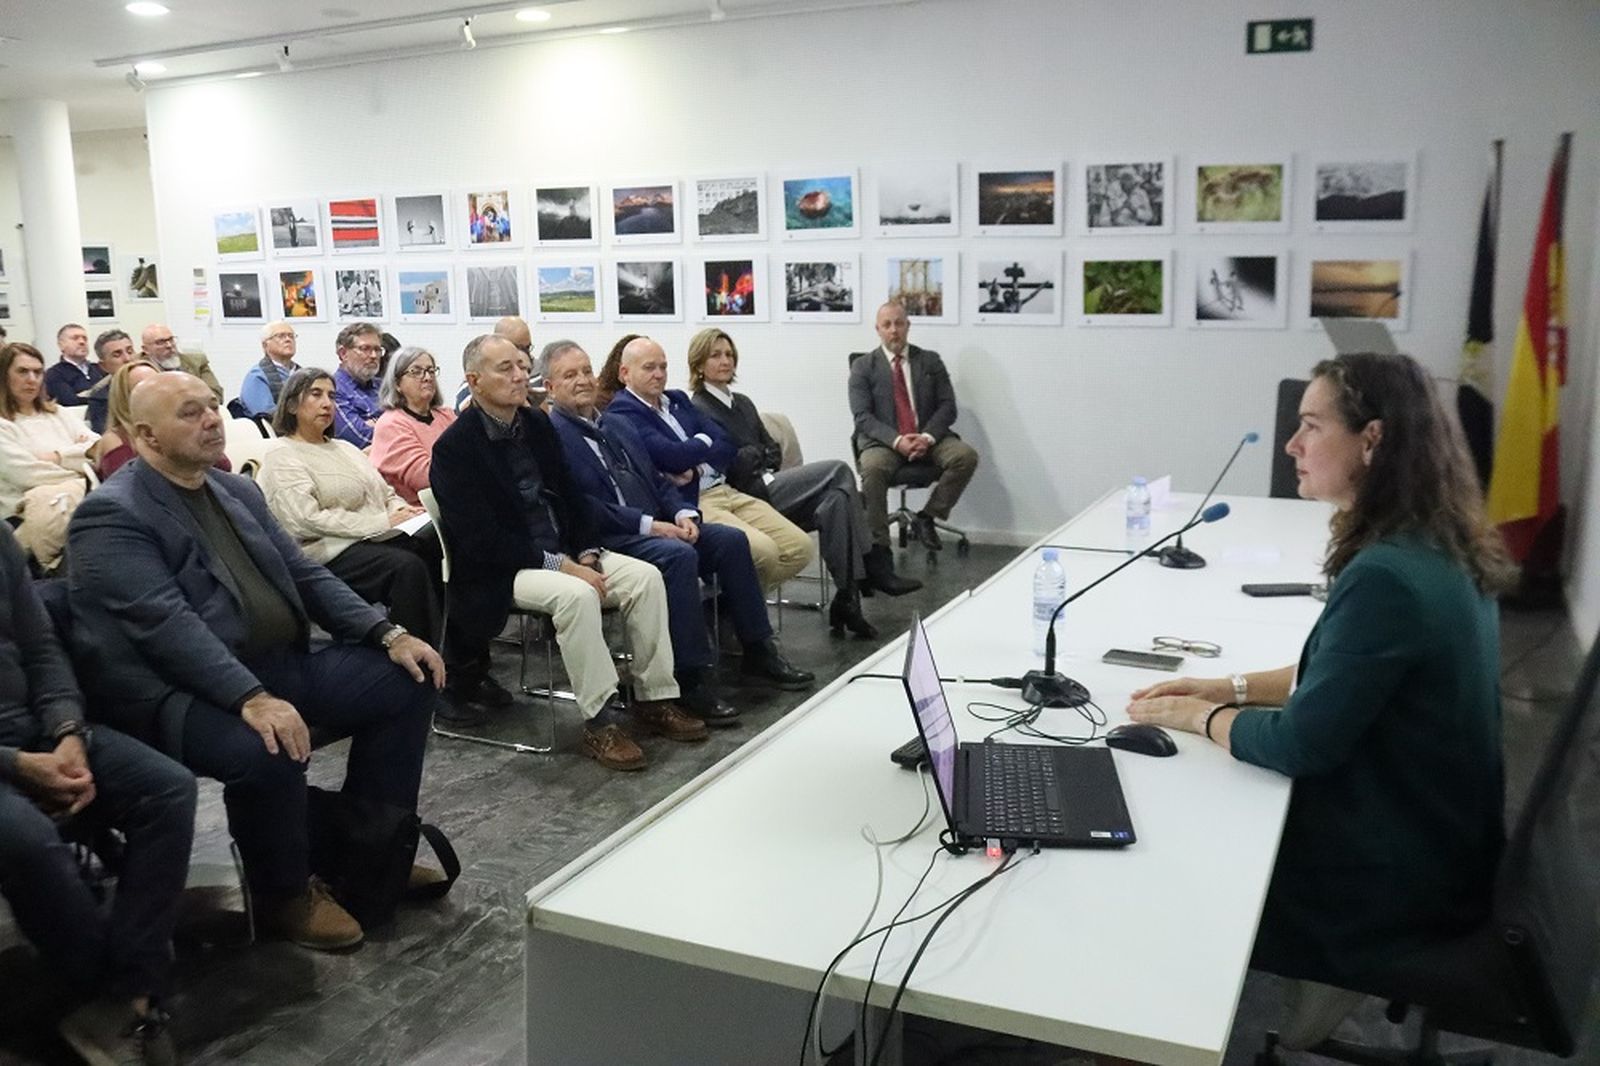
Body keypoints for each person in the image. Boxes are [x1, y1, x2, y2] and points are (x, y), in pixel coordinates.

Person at [1127, 352, 1514, 1049]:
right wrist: (1227, 687)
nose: (1291, 445)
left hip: (1391, 886)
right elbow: (1341, 670)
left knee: (1161, 877)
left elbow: (1302, 743)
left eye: (1310, 426)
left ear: (1371, 440)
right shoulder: (1431, 542)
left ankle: (1146, 1037)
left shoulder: (1388, 577)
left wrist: (1198, 717)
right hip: (1443, 849)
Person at [67, 372, 446, 952]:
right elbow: (167, 625)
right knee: (264, 749)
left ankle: (373, 851)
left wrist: (386, 632)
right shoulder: (112, 515)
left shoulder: (236, 491)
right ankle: (283, 893)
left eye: (213, 407)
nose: (212, 420)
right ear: (145, 435)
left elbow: (305, 573)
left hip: (275, 665)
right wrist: (251, 698)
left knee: (407, 679)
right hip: (178, 694)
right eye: (189, 413)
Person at [429, 335, 711, 768]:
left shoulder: (536, 425)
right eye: (505, 368)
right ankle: (599, 723)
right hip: (504, 569)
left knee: (645, 578)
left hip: (565, 552)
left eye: (522, 366)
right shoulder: (454, 450)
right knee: (576, 596)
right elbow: (482, 542)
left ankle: (655, 698)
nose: (520, 375)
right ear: (474, 380)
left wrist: (588, 553)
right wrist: (561, 565)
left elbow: (572, 500)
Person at [0, 523, 197, 1066]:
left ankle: (128, 992)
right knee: (28, 839)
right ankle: (108, 992)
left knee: (167, 790)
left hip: (38, 732)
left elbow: (41, 647)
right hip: (12, 755)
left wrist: (66, 730)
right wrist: (18, 766)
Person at [541, 339, 813, 705]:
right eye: (570, 375)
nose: (583, 380)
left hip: (656, 523)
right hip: (607, 537)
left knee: (731, 542)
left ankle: (758, 649)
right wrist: (650, 525)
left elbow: (657, 480)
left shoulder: (615, 425)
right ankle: (691, 676)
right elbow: (581, 506)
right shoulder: (551, 436)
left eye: (587, 371)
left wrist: (683, 513)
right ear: (550, 387)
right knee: (678, 555)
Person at [687, 328, 922, 636]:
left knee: (837, 501)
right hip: (747, 496)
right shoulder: (698, 407)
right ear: (699, 363)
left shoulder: (742, 401)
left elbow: (770, 448)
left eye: (729, 354)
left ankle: (848, 598)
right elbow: (734, 464)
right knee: (838, 470)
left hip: (771, 482)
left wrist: (755, 453)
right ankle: (873, 562)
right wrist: (755, 454)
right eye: (716, 355)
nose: (725, 360)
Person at [604, 336, 815, 592]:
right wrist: (704, 441)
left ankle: (731, 599)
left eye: (664, 366)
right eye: (650, 368)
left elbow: (727, 442)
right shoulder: (623, 412)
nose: (659, 374)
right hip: (694, 499)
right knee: (765, 553)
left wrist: (697, 466)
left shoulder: (678, 399)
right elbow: (672, 456)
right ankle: (737, 605)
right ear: (625, 373)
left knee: (801, 548)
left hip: (725, 488)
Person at [257, 368, 443, 650]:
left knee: (435, 548)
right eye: (316, 395)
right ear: (292, 405)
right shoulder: (281, 454)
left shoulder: (345, 448)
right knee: (407, 568)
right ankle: (416, 664)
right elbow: (304, 521)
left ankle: (452, 658)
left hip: (368, 539)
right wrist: (382, 522)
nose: (327, 403)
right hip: (323, 552)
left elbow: (385, 493)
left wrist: (405, 513)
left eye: (332, 396)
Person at [848, 302, 979, 554]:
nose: (894, 330)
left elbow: (947, 406)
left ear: (908, 326)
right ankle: (879, 547)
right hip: (884, 442)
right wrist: (898, 441)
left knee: (965, 456)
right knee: (872, 469)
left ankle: (927, 517)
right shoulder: (863, 367)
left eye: (899, 323)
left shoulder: (930, 361)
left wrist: (927, 437)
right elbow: (862, 417)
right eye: (887, 325)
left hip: (929, 437)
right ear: (878, 329)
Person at [0, 343, 98, 572]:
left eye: (38, 371)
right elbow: (28, 474)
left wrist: (57, 456)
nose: (32, 379)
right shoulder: (4, 426)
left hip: (77, 507)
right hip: (23, 520)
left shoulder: (59, 414)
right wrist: (83, 468)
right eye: (22, 371)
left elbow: (98, 448)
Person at [370, 346, 457, 507]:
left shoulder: (447, 416)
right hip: (420, 516)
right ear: (397, 383)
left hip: (457, 502)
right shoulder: (391, 424)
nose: (427, 377)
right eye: (416, 372)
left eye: (431, 371)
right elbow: (426, 479)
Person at [330, 321, 385, 448]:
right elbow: (361, 438)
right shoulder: (333, 389)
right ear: (343, 354)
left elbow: (410, 423)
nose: (373, 356)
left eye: (377, 350)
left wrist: (376, 423)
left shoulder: (383, 386)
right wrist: (390, 423)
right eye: (365, 349)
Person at [138, 324, 224, 402]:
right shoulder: (139, 369)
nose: (169, 345)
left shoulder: (197, 362)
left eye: (171, 340)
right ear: (146, 349)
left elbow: (215, 394)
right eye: (160, 342)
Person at [237, 320, 301, 418]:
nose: (288, 339)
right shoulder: (257, 376)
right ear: (265, 345)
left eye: (291, 336)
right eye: (281, 336)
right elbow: (267, 415)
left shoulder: (301, 372)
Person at [81, 329, 137, 433]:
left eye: (130, 351)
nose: (127, 359)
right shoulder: (100, 399)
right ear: (104, 366)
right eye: (117, 355)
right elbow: (107, 434)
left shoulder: (154, 383)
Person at [43, 323, 102, 407]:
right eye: (75, 338)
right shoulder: (54, 374)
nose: (82, 342)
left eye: (85, 339)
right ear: (61, 345)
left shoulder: (99, 368)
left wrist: (84, 395)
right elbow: (69, 401)